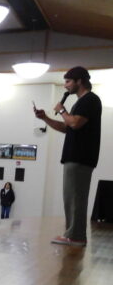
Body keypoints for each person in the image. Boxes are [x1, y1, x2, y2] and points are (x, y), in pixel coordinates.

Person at [34, 66, 101, 246]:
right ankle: (72, 234)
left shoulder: (90, 99)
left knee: (76, 197)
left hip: (81, 156)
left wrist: (62, 110)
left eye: (68, 81)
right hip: (75, 156)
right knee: (71, 197)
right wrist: (45, 118)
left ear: (79, 81)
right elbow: (67, 127)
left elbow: (75, 123)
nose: (65, 85)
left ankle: (76, 236)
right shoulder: (80, 102)